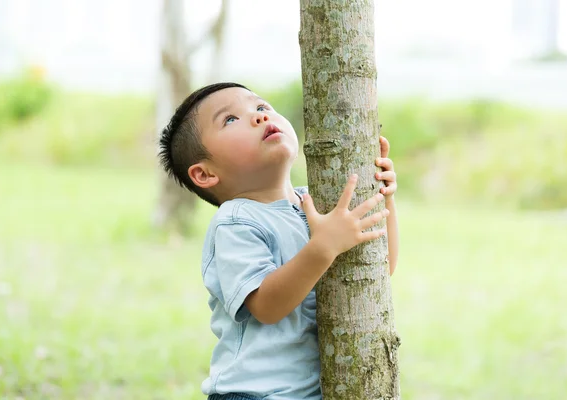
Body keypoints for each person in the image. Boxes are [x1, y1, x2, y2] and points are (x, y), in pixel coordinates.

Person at [159, 82, 399, 400]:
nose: (259, 117)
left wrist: (383, 199)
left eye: (261, 107)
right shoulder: (236, 222)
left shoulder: (313, 205)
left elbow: (381, 269)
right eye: (230, 120)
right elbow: (267, 306)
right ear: (204, 174)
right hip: (254, 393)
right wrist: (323, 246)